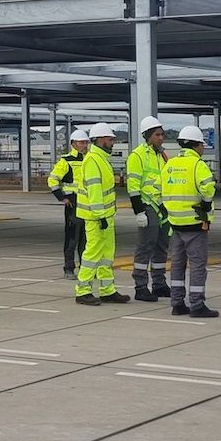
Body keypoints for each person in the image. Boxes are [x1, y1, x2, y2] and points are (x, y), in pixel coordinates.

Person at [160, 124, 219, 317]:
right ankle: (197, 304)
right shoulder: (197, 164)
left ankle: (177, 303)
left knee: (177, 265)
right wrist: (205, 204)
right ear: (197, 145)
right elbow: (208, 187)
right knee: (197, 266)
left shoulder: (170, 164)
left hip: (175, 224)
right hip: (195, 224)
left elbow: (156, 187)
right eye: (202, 145)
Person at [74, 122, 131, 305]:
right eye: (109, 139)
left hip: (105, 216)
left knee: (107, 254)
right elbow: (94, 190)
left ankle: (107, 290)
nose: (112, 142)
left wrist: (105, 215)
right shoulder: (93, 160)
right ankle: (83, 291)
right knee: (92, 253)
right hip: (96, 217)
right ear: (99, 140)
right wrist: (100, 215)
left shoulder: (101, 158)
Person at [125, 116, 171, 302]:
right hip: (147, 205)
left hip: (162, 206)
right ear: (148, 136)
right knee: (145, 247)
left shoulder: (161, 155)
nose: (161, 138)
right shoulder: (137, 156)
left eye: (162, 134)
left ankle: (159, 284)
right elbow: (133, 186)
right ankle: (141, 286)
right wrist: (139, 212)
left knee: (162, 247)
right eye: (157, 135)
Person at [46, 126, 92, 278]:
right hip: (73, 202)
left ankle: (86, 269)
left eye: (86, 142)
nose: (85, 145)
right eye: (81, 143)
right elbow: (52, 179)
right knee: (73, 237)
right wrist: (62, 197)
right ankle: (69, 268)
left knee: (87, 239)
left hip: (88, 202)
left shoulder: (90, 159)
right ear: (73, 144)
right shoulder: (66, 160)